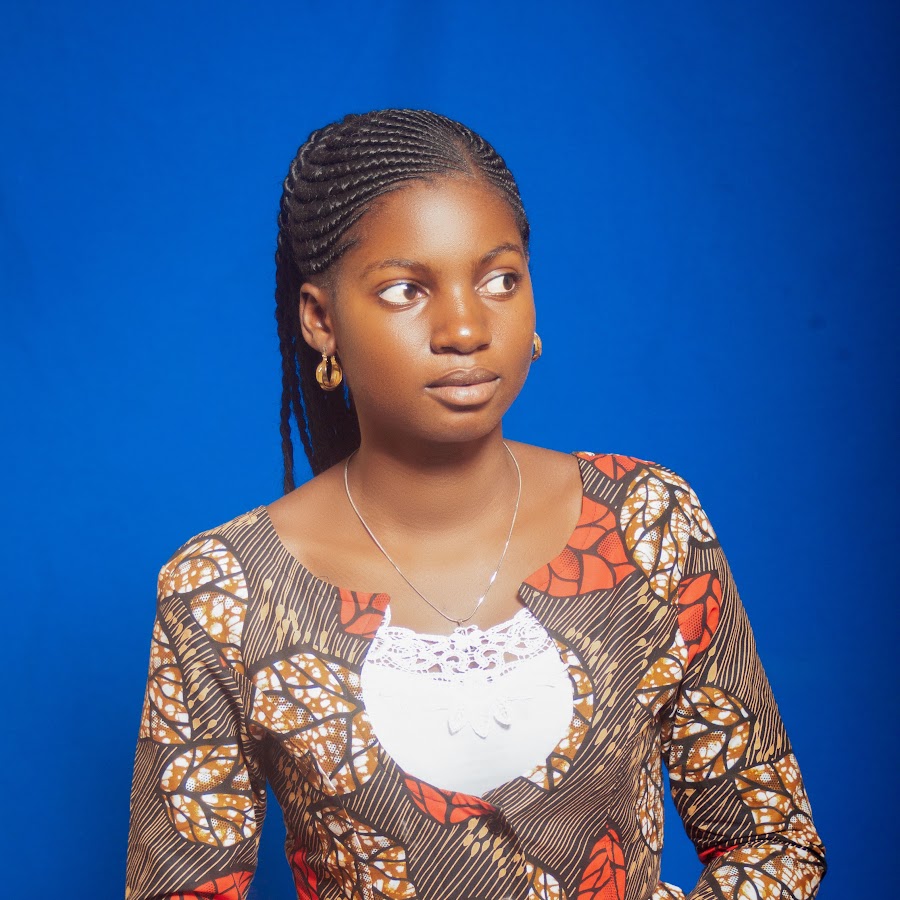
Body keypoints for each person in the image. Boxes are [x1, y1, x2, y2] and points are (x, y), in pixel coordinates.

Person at [125, 109, 826, 900]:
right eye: (405, 290)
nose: (465, 327)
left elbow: (773, 840)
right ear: (321, 320)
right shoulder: (224, 592)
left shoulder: (646, 521)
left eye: (499, 280)